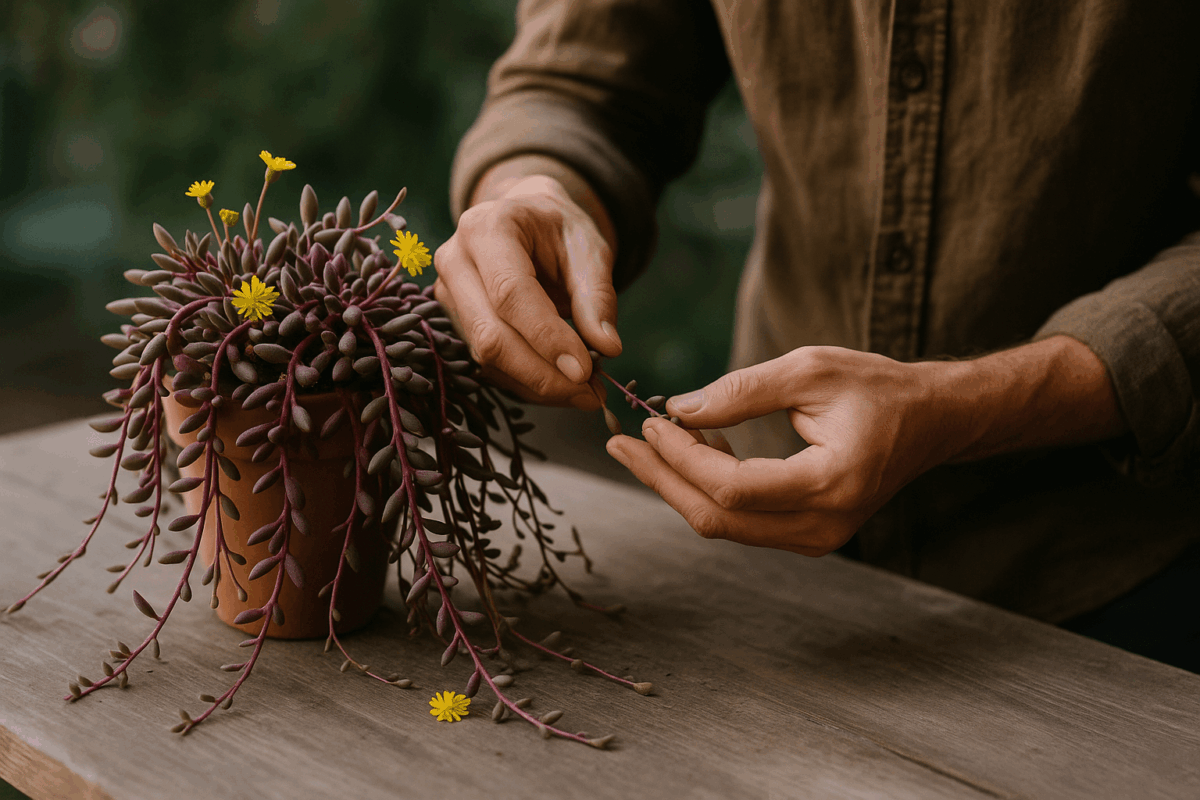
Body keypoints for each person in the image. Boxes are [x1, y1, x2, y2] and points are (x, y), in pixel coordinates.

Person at [433, 1, 1200, 667]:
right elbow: (578, 79)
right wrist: (531, 187)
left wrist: (972, 405)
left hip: (1132, 570)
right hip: (760, 558)